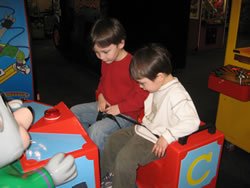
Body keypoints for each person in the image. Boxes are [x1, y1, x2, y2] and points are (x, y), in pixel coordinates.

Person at [100, 43, 200, 188]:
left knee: (125, 159)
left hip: (156, 138)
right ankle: (110, 178)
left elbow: (192, 121)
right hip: (144, 129)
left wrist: (167, 136)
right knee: (112, 140)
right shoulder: (158, 85)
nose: (141, 87)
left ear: (159, 76)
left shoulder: (177, 94)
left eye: (142, 83)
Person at [70, 18, 148, 155]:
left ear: (121, 43)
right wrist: (100, 96)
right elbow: (103, 81)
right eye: (97, 52)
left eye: (105, 51)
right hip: (106, 106)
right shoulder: (107, 60)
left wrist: (119, 108)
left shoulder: (134, 66)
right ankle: (90, 153)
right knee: (74, 112)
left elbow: (142, 96)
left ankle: (105, 168)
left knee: (96, 131)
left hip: (126, 114)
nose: (101, 57)